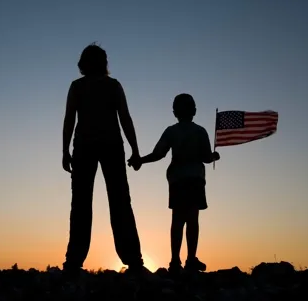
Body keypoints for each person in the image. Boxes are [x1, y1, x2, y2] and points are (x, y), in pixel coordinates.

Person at [61, 43, 146, 277]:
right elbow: (125, 119)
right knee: (117, 202)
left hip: (89, 147)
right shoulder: (110, 86)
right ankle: (132, 259)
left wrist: (65, 150)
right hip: (106, 147)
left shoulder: (80, 87)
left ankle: (75, 260)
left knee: (82, 204)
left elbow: (70, 119)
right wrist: (135, 150)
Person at [128, 93, 220, 274]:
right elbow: (206, 157)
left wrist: (140, 160)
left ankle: (175, 261)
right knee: (192, 219)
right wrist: (214, 156)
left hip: (177, 179)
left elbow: (158, 153)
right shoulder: (200, 131)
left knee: (177, 219)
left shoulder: (171, 131)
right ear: (194, 110)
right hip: (194, 179)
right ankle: (190, 259)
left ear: (174, 112)